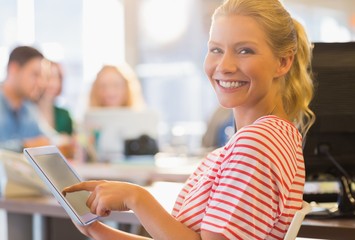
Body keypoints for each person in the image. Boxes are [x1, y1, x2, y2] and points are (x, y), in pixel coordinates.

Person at [63, 0, 315, 239]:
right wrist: (96, 231)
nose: (224, 65)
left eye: (244, 50)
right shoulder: (266, 138)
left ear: (283, 62)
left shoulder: (258, 142)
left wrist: (136, 197)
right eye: (216, 49)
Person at [0, 45, 51, 152]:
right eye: (35, 75)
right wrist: (25, 145)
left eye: (43, 77)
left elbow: (47, 140)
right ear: (14, 69)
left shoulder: (30, 110)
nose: (41, 83)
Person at [37, 60, 75, 158]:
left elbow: (71, 149)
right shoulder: (26, 112)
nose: (52, 83)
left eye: (56, 78)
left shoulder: (64, 115)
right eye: (48, 78)